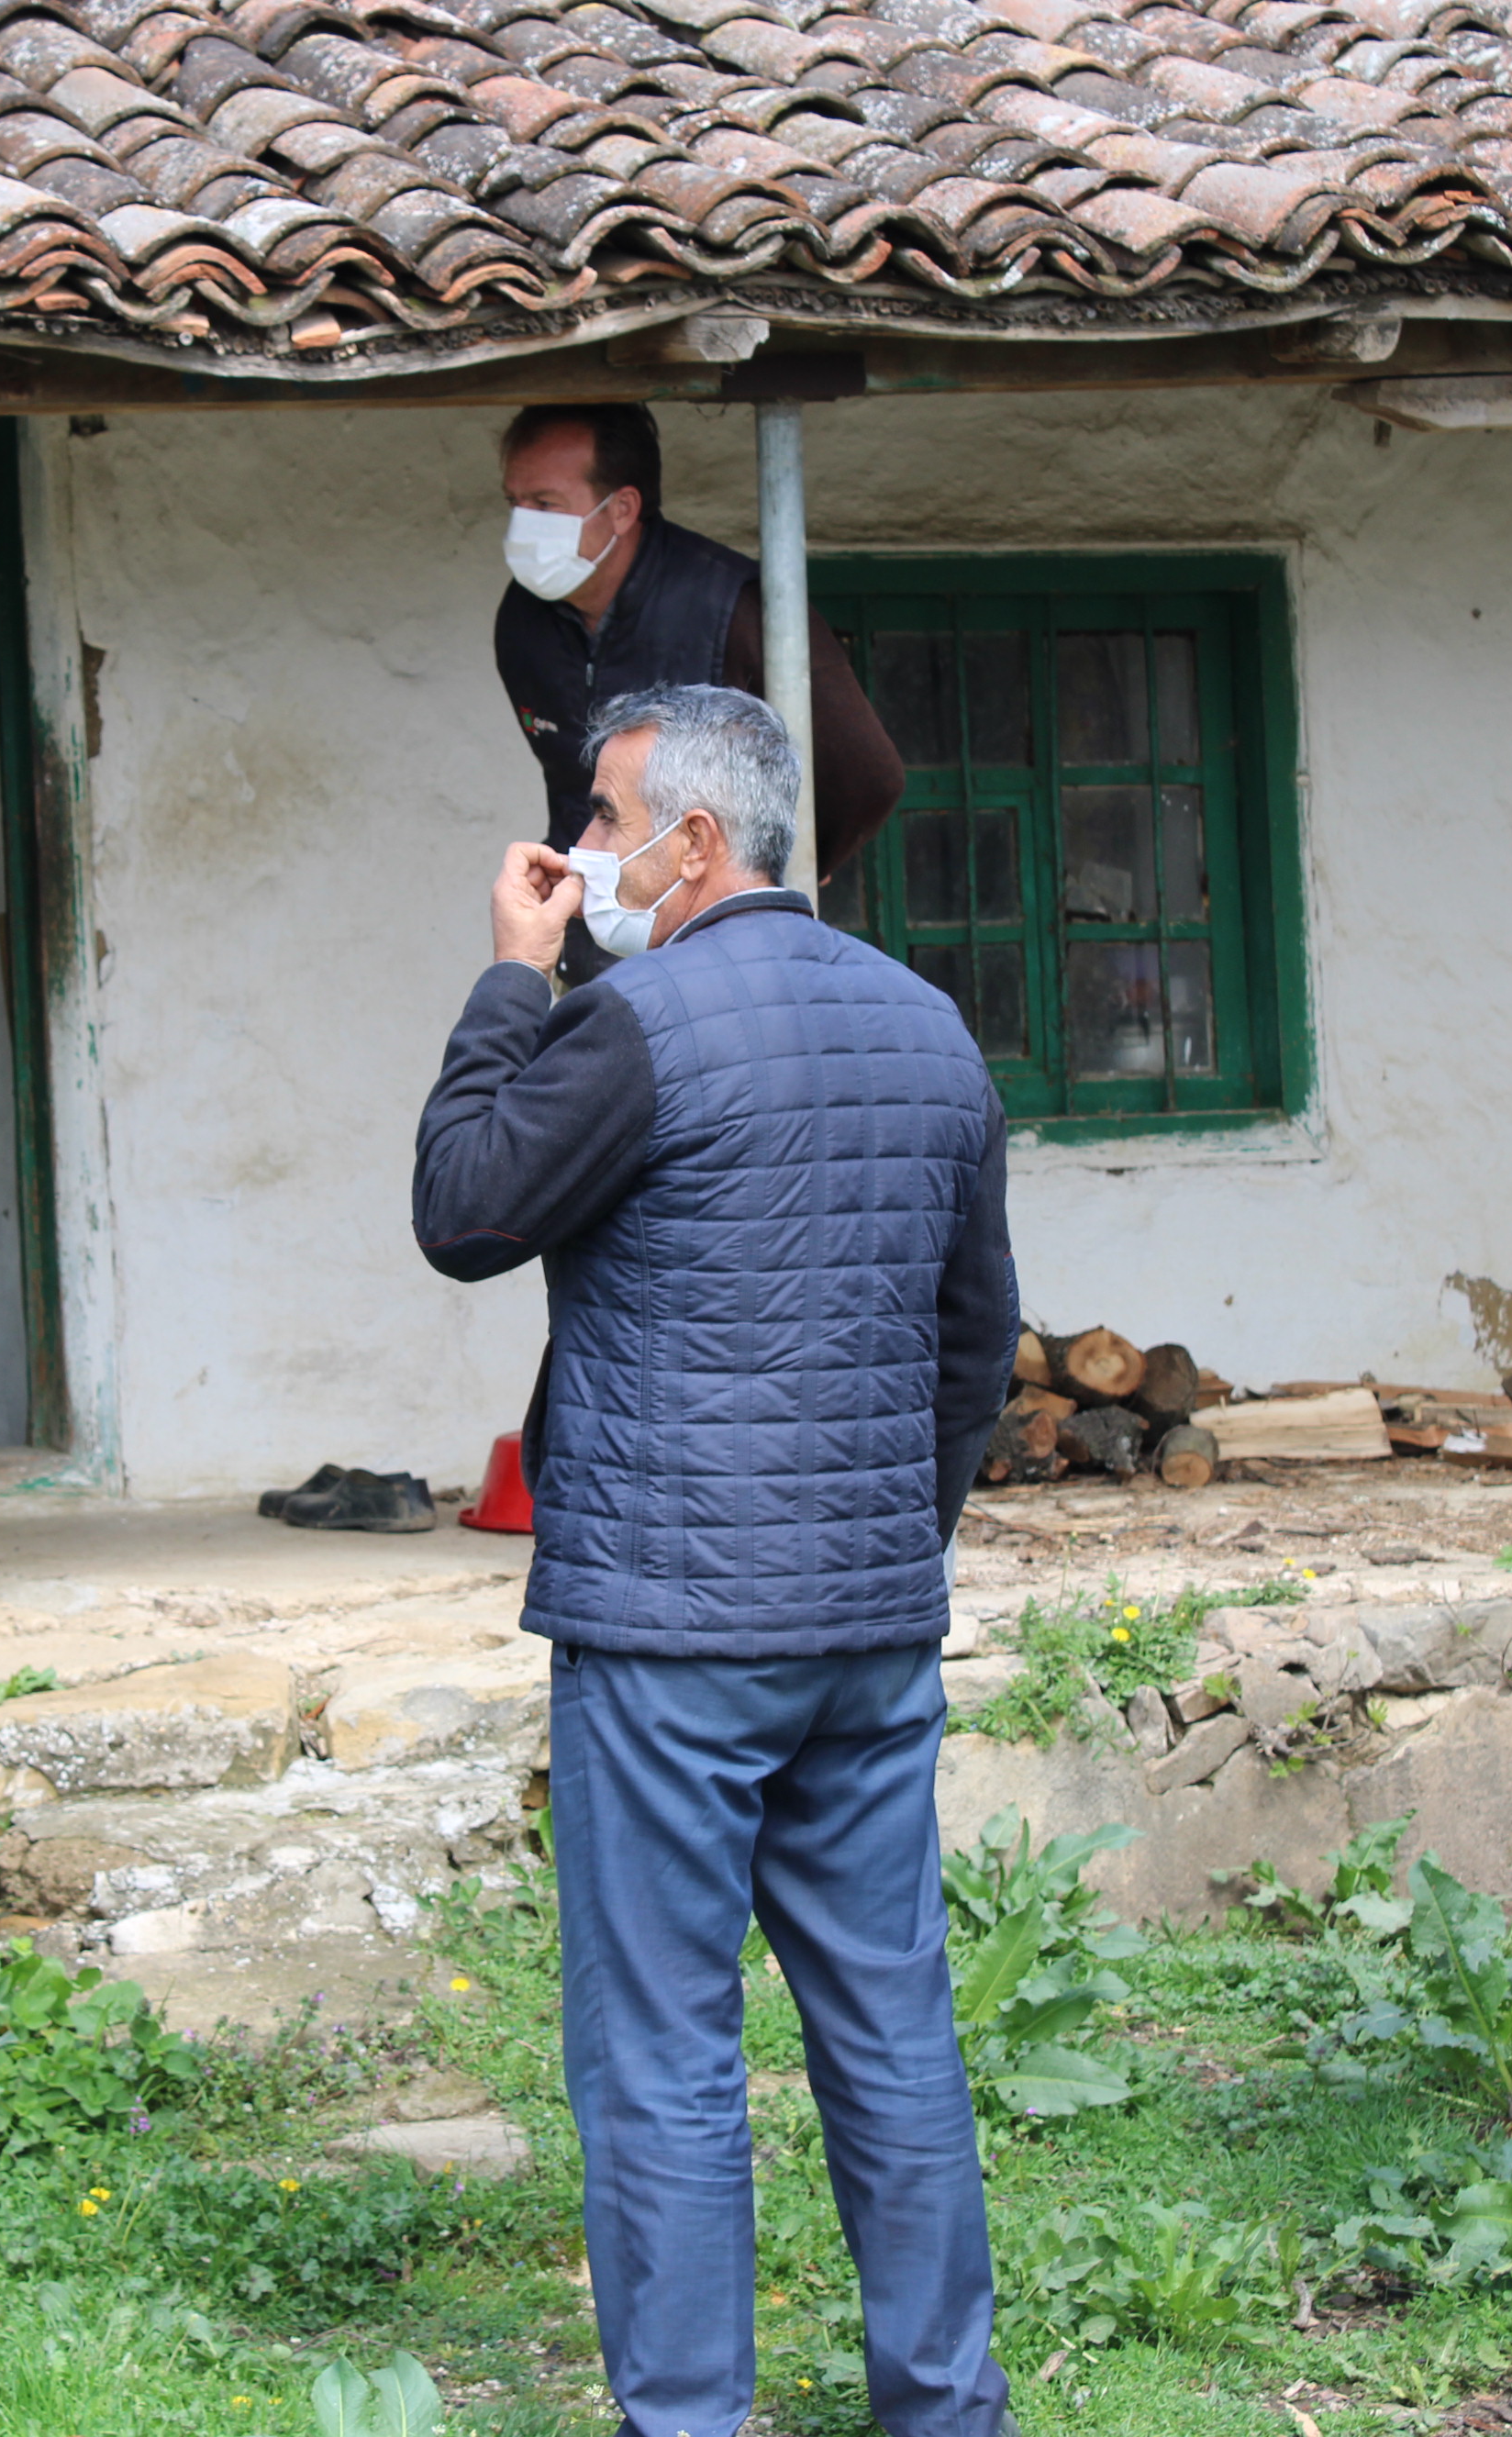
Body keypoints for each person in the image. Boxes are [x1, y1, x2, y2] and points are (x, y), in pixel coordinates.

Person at [412, 683, 1017, 2437]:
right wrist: (895, 1534)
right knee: (890, 2024)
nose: (578, 854)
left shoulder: (637, 1026)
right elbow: (973, 1336)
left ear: (692, 842)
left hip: (671, 1628)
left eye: (599, 822)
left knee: (663, 2047)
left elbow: (461, 1209)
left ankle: (686, 2414)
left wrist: (513, 977)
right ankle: (941, 2403)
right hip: (861, 1616)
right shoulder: (925, 1024)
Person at [492, 405, 902, 976]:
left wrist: (796, 856)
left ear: (623, 509)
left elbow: (868, 772)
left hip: (722, 963)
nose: (523, 523)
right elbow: (567, 782)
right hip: (592, 959)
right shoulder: (522, 623)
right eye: (514, 502)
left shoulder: (731, 606)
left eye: (545, 504)